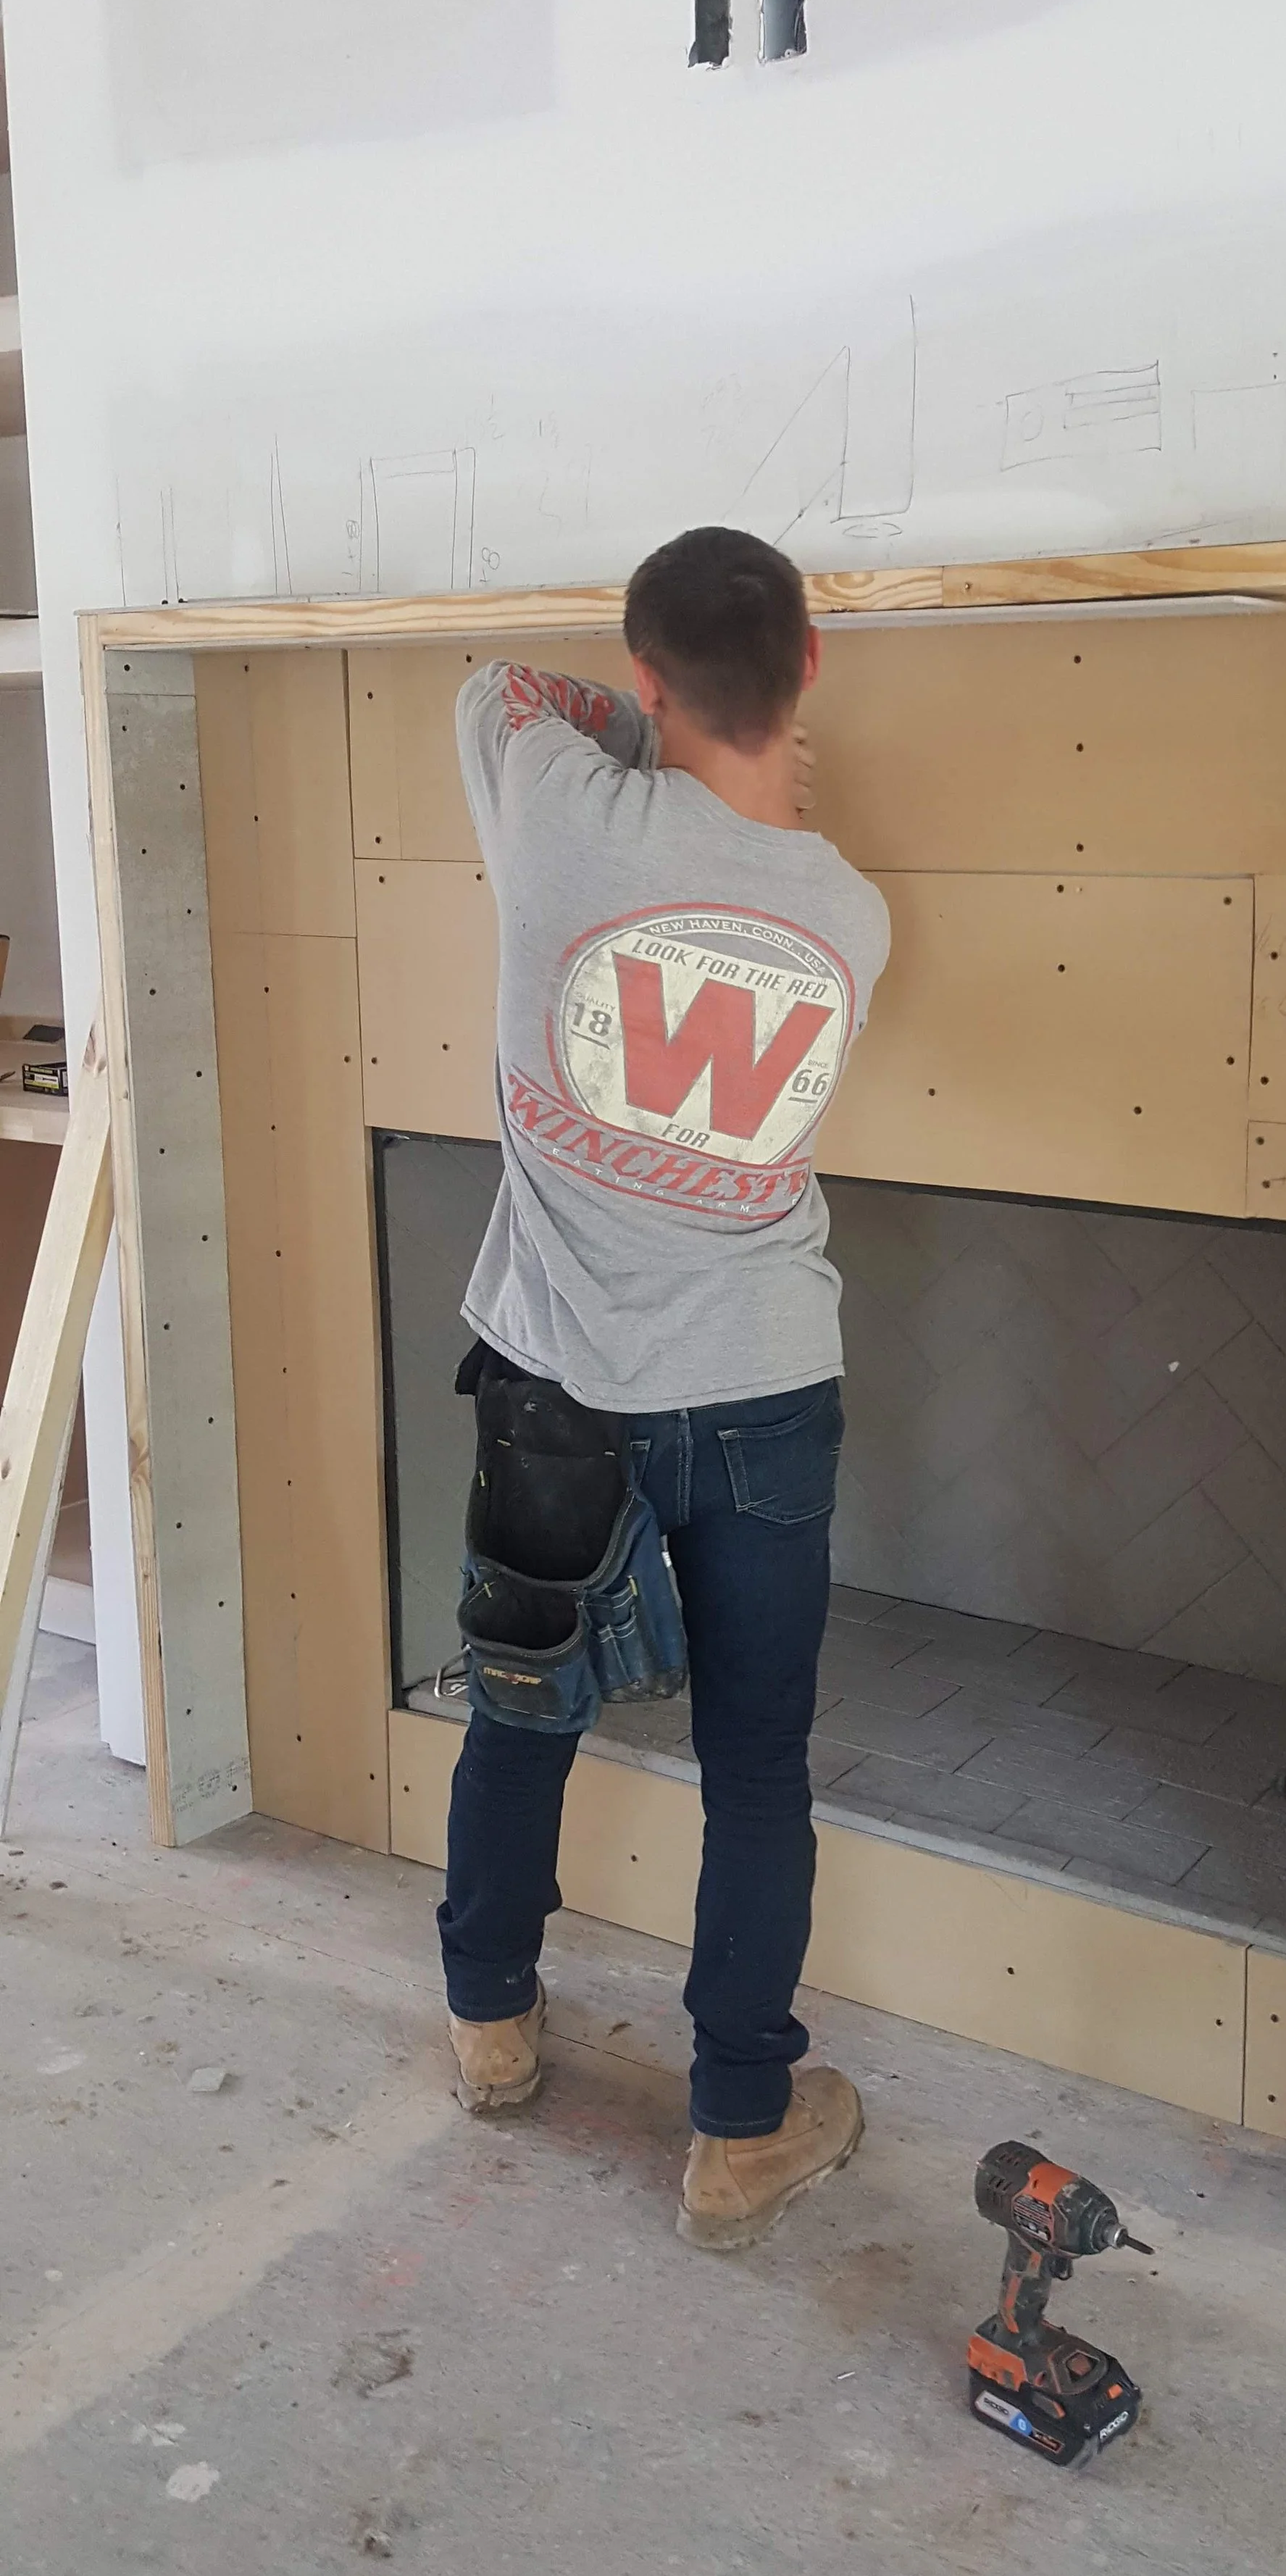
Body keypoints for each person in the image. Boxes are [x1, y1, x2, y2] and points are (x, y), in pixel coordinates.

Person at [435, 525, 890, 2250]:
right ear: (811, 669)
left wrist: (626, 733)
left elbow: (494, 690)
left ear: (641, 675)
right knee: (756, 1766)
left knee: (519, 1705)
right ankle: (740, 2129)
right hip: (766, 1384)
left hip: (562, 1382)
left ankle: (491, 2027)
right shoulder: (853, 915)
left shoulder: (558, 807)